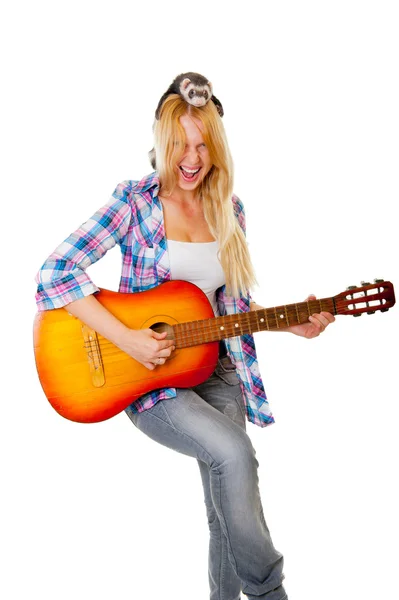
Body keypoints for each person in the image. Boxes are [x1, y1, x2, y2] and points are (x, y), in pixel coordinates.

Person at [35, 73, 335, 600]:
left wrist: (292, 322)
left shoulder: (229, 211)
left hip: (217, 370)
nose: (192, 158)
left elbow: (227, 308)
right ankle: (271, 592)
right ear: (160, 142)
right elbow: (54, 273)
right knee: (236, 454)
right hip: (150, 381)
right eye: (180, 144)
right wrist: (127, 339)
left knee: (223, 510)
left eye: (203, 144)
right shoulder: (133, 203)